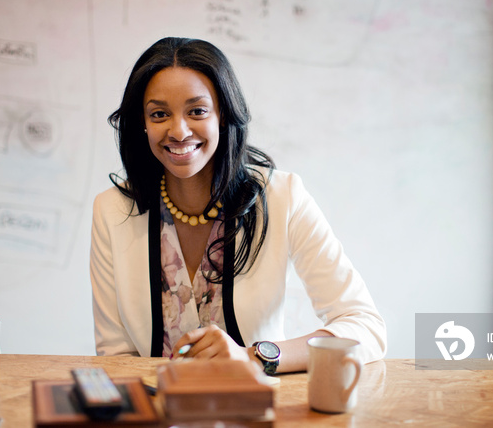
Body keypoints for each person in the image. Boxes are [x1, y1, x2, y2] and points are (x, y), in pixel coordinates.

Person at [90, 37, 386, 374]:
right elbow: (115, 359)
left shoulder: (282, 196)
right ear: (142, 123)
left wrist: (256, 356)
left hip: (258, 412)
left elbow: (365, 328)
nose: (179, 130)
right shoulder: (111, 211)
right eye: (159, 114)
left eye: (197, 111)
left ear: (223, 114)